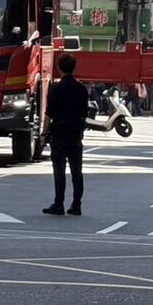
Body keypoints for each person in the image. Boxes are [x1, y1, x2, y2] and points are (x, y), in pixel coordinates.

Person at [42, 53, 88, 216]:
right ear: (74, 67)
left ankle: (58, 203)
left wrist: (44, 132)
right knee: (77, 171)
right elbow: (85, 112)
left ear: (59, 68)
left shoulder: (56, 88)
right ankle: (76, 204)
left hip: (59, 134)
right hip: (75, 134)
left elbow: (49, 113)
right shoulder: (81, 89)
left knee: (59, 171)